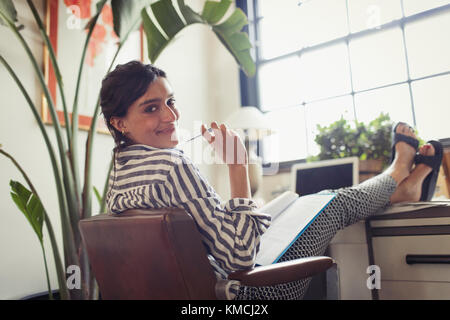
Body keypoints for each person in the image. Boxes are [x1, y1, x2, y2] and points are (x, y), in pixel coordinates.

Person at [100, 60, 442, 300]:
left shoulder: (119, 173)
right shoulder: (172, 165)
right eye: (151, 108)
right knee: (330, 203)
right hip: (252, 294)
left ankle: (399, 188)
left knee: (296, 205)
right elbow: (239, 258)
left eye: (171, 102)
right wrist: (238, 165)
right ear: (120, 123)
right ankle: (398, 173)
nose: (171, 116)